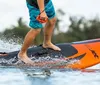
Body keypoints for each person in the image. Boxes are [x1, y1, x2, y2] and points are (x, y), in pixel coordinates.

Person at [18, 0, 61, 64]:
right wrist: (42, 11)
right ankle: (22, 53)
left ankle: (47, 43)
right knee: (36, 29)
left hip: (47, 2)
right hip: (35, 5)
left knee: (52, 20)